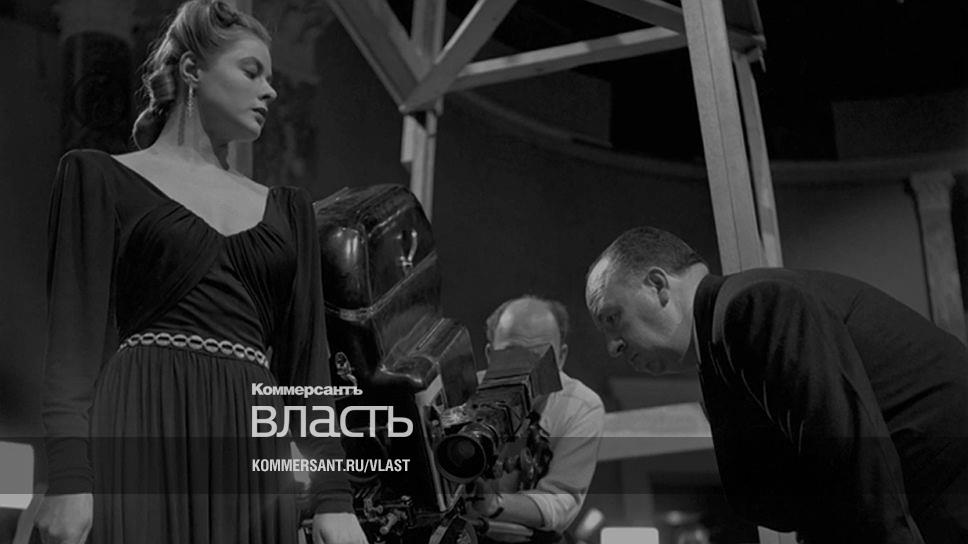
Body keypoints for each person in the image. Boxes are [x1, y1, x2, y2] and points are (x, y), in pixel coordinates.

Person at [33, 2, 367, 543]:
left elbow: (308, 372)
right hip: (144, 420)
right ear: (192, 70)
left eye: (271, 78)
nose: (270, 91)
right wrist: (70, 478)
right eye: (251, 71)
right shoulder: (98, 177)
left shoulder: (289, 211)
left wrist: (334, 497)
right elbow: (71, 350)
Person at [584, 226, 968, 543]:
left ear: (658, 285)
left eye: (613, 318)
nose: (613, 347)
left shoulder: (752, 304)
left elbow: (849, 454)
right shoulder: (725, 336)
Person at [469, 296, 605, 542]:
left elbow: (560, 504)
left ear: (560, 358)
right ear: (490, 356)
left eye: (541, 355)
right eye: (511, 353)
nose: (527, 368)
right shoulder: (462, 395)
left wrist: (493, 504)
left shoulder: (581, 406)